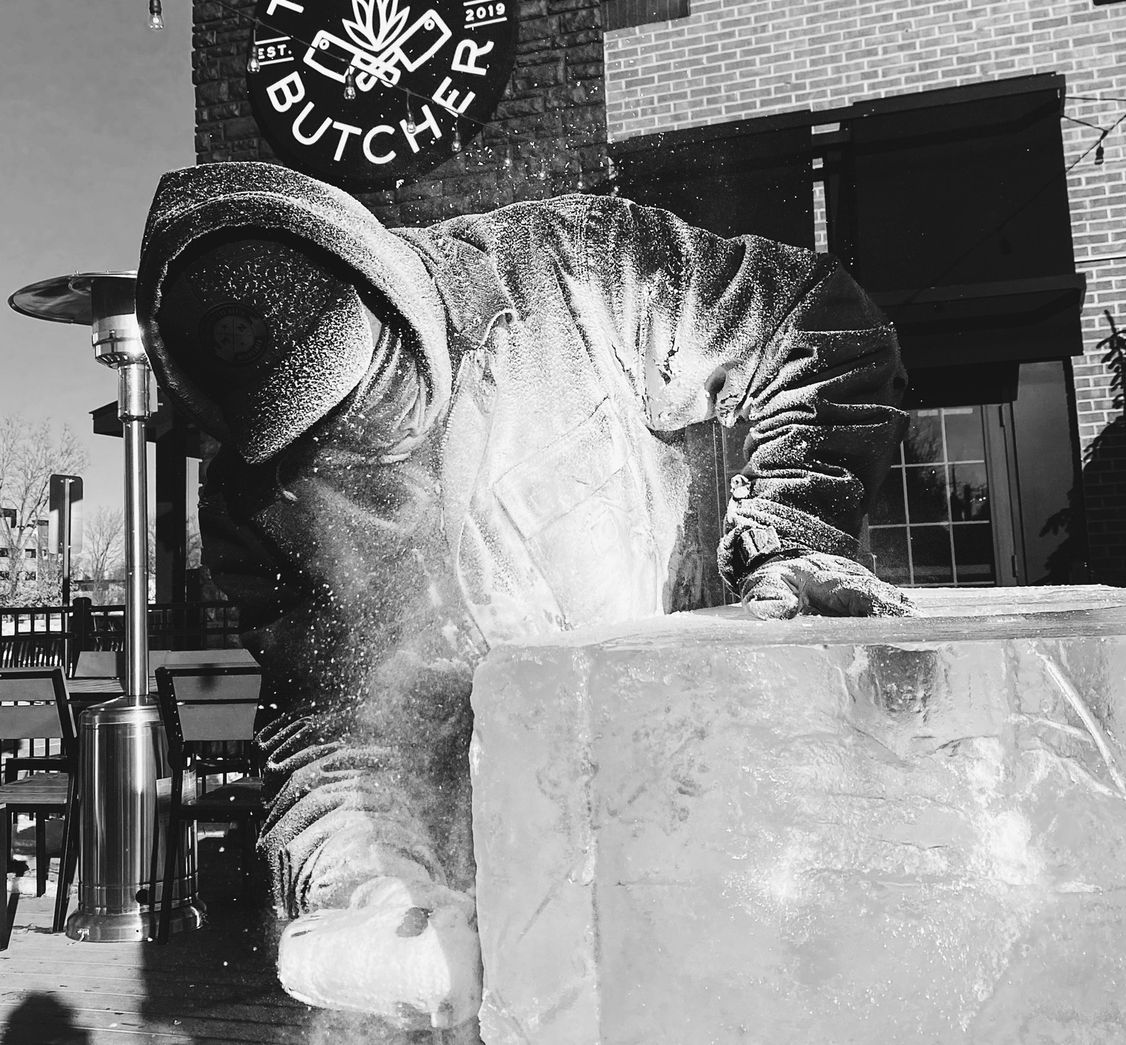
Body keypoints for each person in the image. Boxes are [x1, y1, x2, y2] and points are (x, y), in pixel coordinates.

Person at [137, 159, 910, 1038]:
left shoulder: (574, 270)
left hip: (728, 797)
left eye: (374, 388)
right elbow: (326, 732)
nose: (365, 438)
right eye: (324, 440)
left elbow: (819, 328)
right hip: (514, 891)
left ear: (387, 287)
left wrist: (788, 541)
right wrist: (371, 891)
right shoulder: (256, 507)